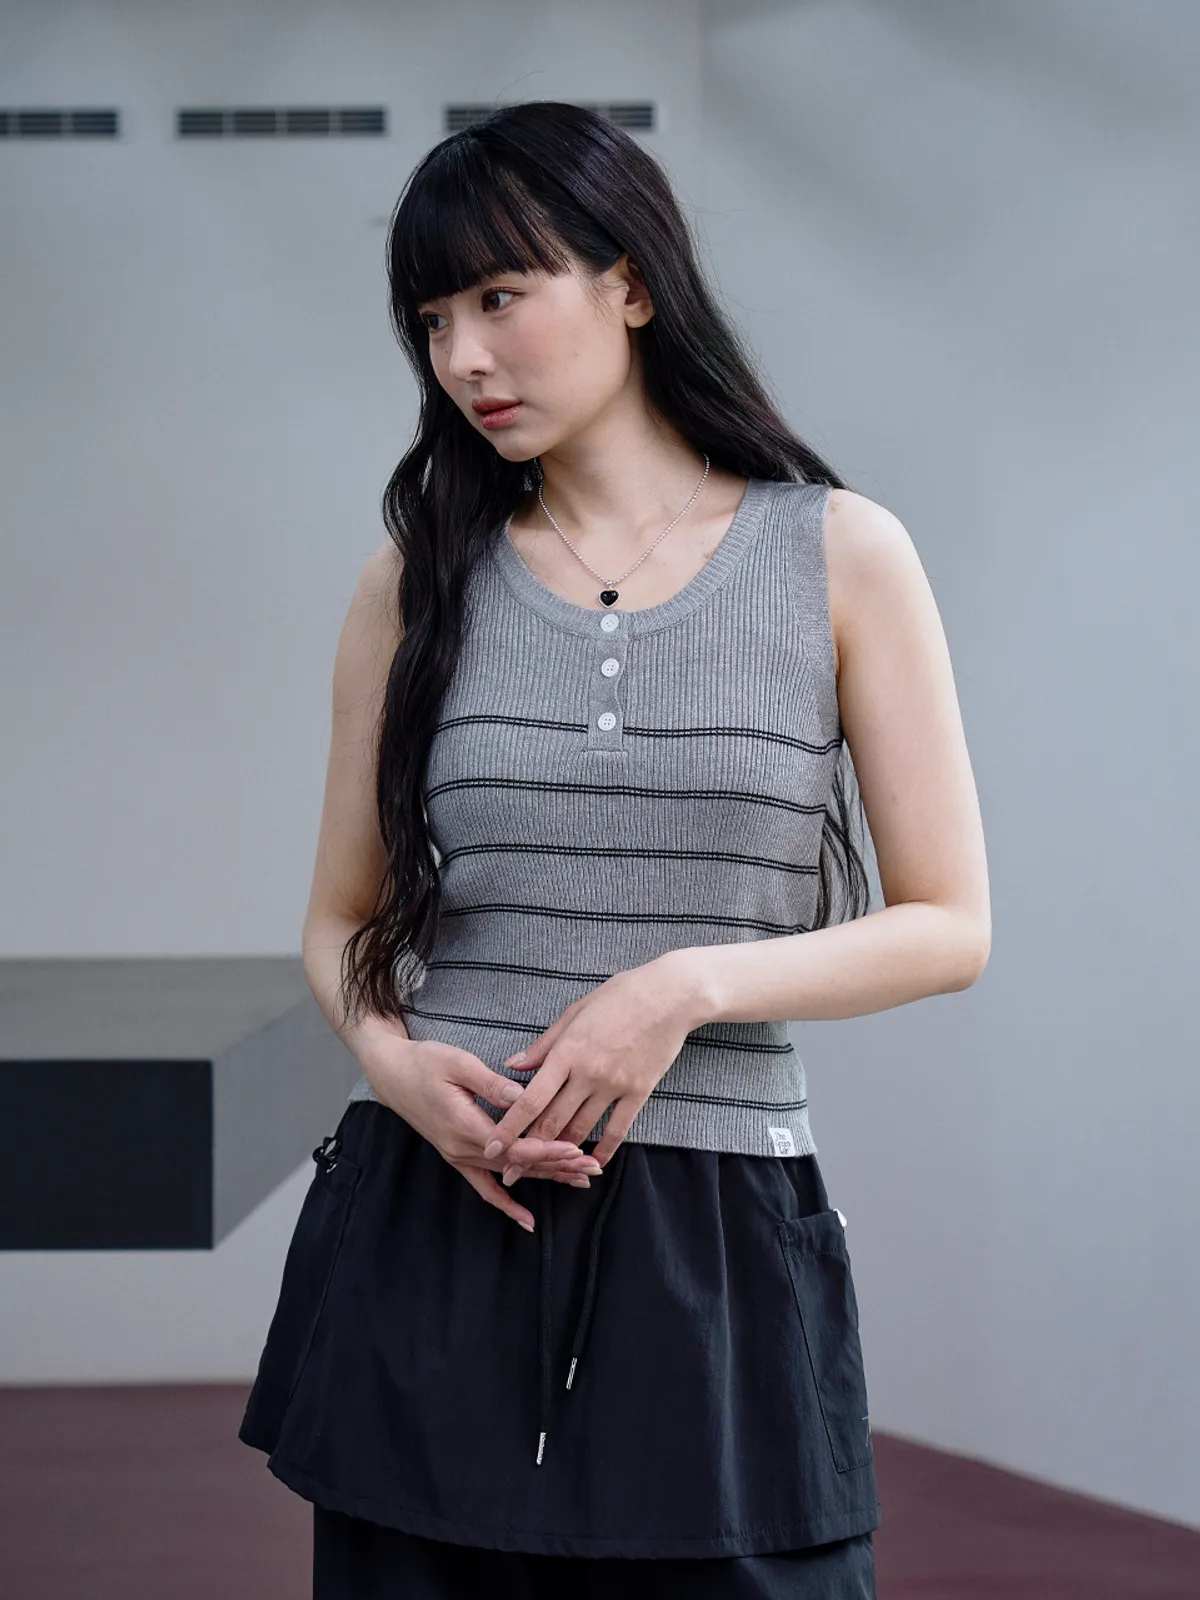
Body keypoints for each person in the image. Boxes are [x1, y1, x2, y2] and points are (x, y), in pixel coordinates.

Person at [238, 100, 991, 1598]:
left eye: (500, 298)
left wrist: (682, 988)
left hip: (714, 1231)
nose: (463, 358)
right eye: (432, 321)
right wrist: (395, 1067)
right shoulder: (414, 582)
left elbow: (950, 924)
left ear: (631, 283)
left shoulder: (840, 553)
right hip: (438, 1211)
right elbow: (338, 920)